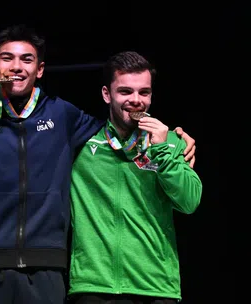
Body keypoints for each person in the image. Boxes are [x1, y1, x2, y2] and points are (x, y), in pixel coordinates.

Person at [0, 25, 196, 304]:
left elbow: (119, 127)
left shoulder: (62, 115)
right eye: (7, 58)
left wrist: (175, 140)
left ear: (40, 69)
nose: (16, 67)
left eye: (27, 59)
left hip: (46, 268)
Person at [68, 51, 203, 304]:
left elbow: (189, 201)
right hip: (93, 286)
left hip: (155, 286)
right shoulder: (83, 142)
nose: (136, 100)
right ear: (107, 94)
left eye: (144, 92)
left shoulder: (171, 142)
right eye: (125, 92)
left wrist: (162, 150)